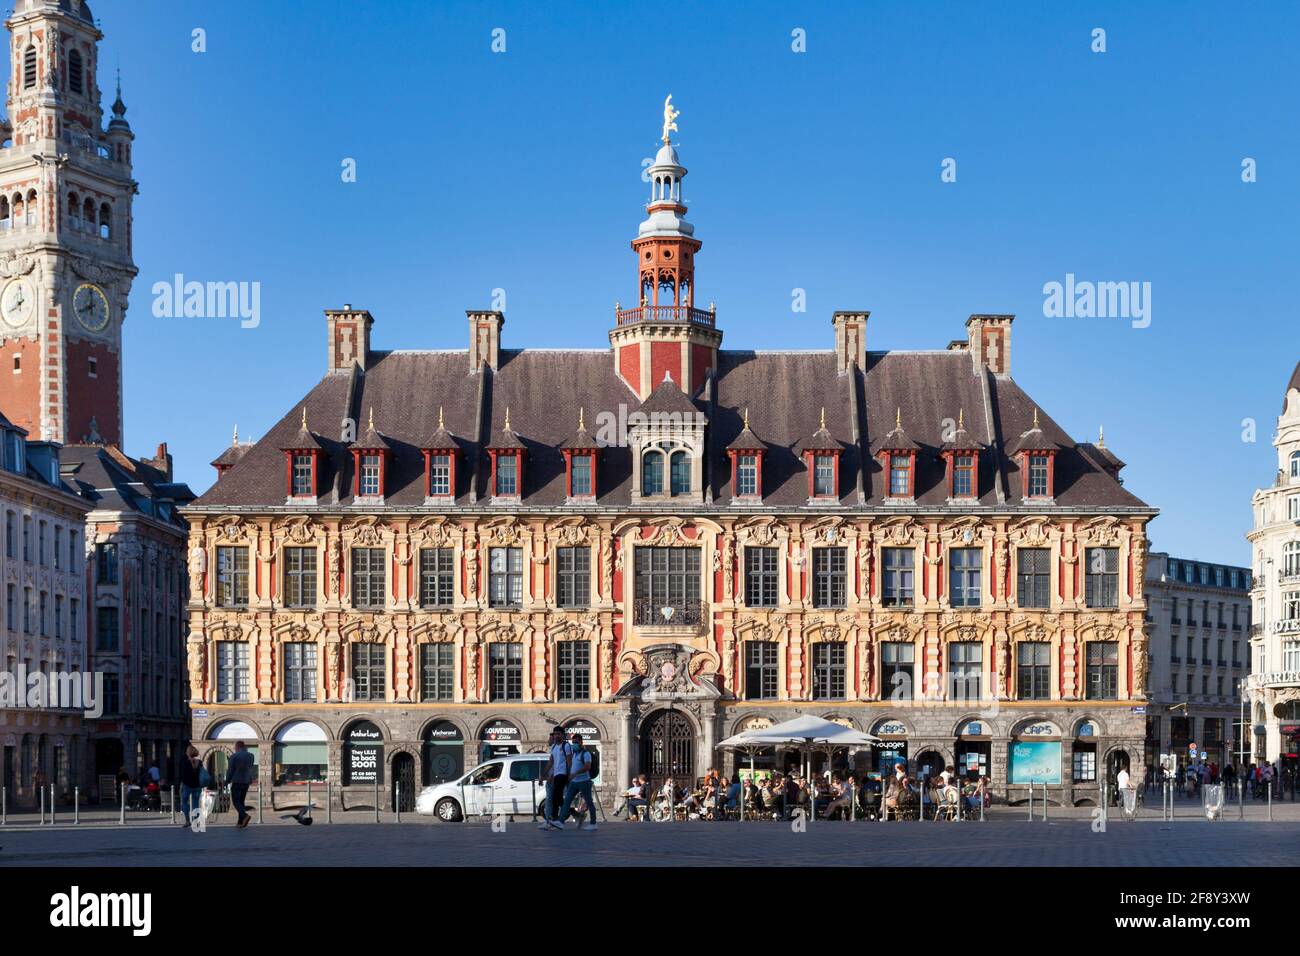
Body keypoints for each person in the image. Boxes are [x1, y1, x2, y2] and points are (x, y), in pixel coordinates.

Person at [558, 732, 597, 831]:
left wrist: (575, 773)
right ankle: (561, 822)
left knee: (589, 802)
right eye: (573, 742)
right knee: (567, 801)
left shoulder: (586, 753)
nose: (574, 744)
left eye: (576, 742)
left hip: (584, 781)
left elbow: (587, 766)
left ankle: (593, 823)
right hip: (574, 782)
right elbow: (572, 766)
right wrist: (570, 775)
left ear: (581, 742)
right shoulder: (574, 754)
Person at [539, 726, 570, 831]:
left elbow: (569, 761)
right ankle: (571, 813)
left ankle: (556, 819)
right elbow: (551, 762)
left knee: (556, 797)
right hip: (556, 774)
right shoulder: (554, 747)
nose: (556, 736)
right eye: (555, 734)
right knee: (557, 798)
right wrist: (543, 774)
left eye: (558, 734)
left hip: (563, 774)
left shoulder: (566, 746)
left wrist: (569, 775)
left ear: (562, 735)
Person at [225, 740, 256, 828]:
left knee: (235, 801)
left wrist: (227, 780)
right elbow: (250, 767)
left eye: (235, 747)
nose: (234, 749)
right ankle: (240, 822)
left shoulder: (234, 756)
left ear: (238, 747)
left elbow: (230, 770)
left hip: (237, 780)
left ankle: (245, 816)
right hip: (246, 781)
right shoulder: (251, 756)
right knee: (241, 801)